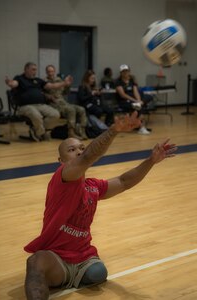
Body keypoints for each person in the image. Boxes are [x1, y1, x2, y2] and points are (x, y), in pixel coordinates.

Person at [24, 110, 177, 300]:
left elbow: (124, 181)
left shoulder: (92, 186)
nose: (79, 151)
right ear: (61, 161)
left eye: (81, 147)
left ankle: (77, 275)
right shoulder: (61, 179)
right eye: (72, 150)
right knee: (36, 261)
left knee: (98, 272)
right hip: (56, 256)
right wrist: (113, 131)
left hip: (83, 258)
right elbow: (88, 157)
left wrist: (151, 161)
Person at [5, 62, 73, 141]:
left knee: (55, 114)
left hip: (40, 105)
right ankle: (40, 133)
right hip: (25, 106)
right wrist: (10, 83)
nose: (35, 72)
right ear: (26, 69)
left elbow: (52, 86)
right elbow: (14, 84)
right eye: (33, 69)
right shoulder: (19, 78)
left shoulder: (37, 80)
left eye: (35, 70)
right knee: (37, 116)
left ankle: (37, 131)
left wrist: (65, 83)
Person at [45, 65, 88, 140]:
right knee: (70, 109)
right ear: (46, 72)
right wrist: (49, 96)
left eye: (52, 71)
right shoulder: (44, 82)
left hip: (63, 103)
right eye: (49, 71)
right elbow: (41, 93)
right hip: (53, 104)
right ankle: (71, 133)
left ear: (54, 71)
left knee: (81, 109)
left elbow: (66, 93)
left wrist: (68, 85)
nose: (50, 73)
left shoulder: (59, 80)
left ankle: (82, 130)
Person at [115, 64, 151, 135]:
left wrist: (139, 101)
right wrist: (135, 101)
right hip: (124, 102)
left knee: (146, 99)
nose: (125, 73)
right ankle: (141, 127)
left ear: (129, 71)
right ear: (121, 73)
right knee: (138, 108)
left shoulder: (132, 80)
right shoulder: (118, 82)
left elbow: (136, 92)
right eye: (123, 71)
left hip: (134, 101)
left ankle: (140, 126)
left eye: (126, 71)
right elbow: (123, 95)